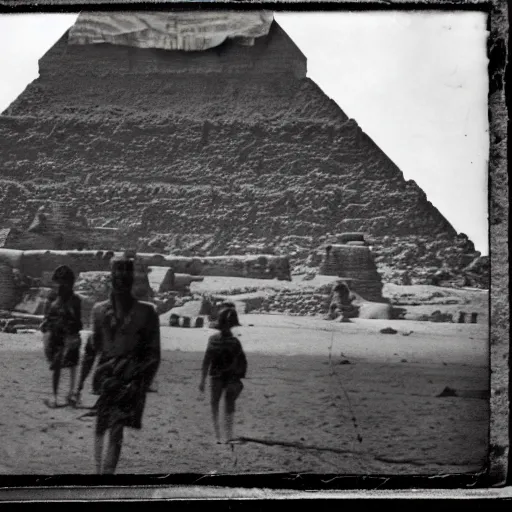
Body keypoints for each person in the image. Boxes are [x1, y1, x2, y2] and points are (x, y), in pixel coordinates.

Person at [74, 258, 161, 474]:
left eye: (125, 274)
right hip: (105, 378)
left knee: (116, 429)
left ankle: (106, 477)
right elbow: (91, 349)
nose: (121, 279)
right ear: (111, 278)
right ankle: (99, 475)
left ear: (131, 279)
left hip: (130, 378)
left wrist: (140, 383)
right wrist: (79, 384)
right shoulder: (99, 311)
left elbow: (153, 354)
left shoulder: (147, 312)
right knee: (101, 427)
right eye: (117, 274)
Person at [199, 306, 247, 444]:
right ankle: (226, 435)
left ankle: (219, 435)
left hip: (218, 377)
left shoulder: (214, 340)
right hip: (227, 377)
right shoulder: (234, 342)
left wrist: (202, 380)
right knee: (226, 404)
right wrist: (238, 379)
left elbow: (206, 361)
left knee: (216, 404)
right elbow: (242, 362)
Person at [40, 265, 83, 408]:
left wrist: (73, 333)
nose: (60, 286)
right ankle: (58, 395)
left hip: (68, 334)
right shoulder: (53, 297)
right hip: (56, 334)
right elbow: (47, 317)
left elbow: (78, 320)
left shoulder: (75, 300)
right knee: (58, 364)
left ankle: (69, 394)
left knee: (71, 364)